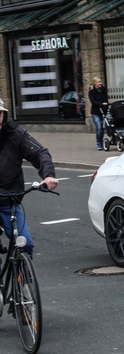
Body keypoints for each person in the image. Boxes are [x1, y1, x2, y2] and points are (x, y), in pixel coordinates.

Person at [0, 97, 58, 257]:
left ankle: (22, 280)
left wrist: (48, 176)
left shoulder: (15, 134)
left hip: (9, 201)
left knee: (25, 243)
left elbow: (39, 152)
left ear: (3, 116)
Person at [88, 77, 108, 151]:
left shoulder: (104, 89)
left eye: (101, 81)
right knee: (99, 127)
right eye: (99, 82)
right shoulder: (92, 92)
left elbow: (106, 98)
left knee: (103, 128)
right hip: (96, 112)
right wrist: (101, 104)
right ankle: (99, 143)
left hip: (104, 111)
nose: (100, 83)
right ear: (95, 83)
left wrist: (106, 104)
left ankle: (103, 141)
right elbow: (93, 101)